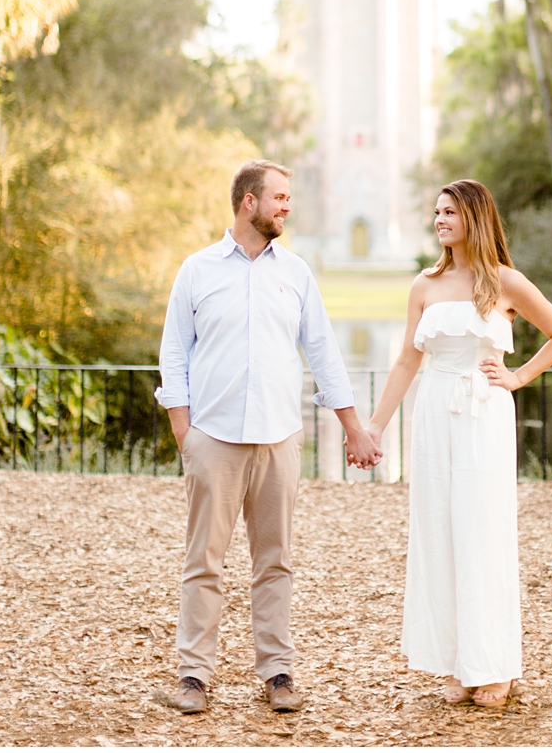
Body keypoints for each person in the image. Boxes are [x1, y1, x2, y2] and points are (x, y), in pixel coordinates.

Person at [153, 159, 381, 715]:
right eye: (278, 197)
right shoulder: (197, 270)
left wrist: (353, 426)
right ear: (248, 202)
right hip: (214, 439)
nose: (286, 206)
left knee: (275, 562)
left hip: (279, 439)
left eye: (287, 197)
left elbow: (324, 352)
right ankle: (193, 676)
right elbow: (174, 354)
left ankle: (278, 673)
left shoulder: (297, 272)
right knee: (204, 561)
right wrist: (185, 432)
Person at [363, 178, 552, 709]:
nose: (440, 220)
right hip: (435, 411)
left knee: (482, 531)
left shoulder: (504, 281)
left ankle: (495, 665)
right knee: (440, 531)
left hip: (482, 409)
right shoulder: (424, 285)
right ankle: (458, 661)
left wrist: (519, 377)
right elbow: (407, 360)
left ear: (474, 218)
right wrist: (374, 426)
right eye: (436, 212)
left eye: (450, 212)